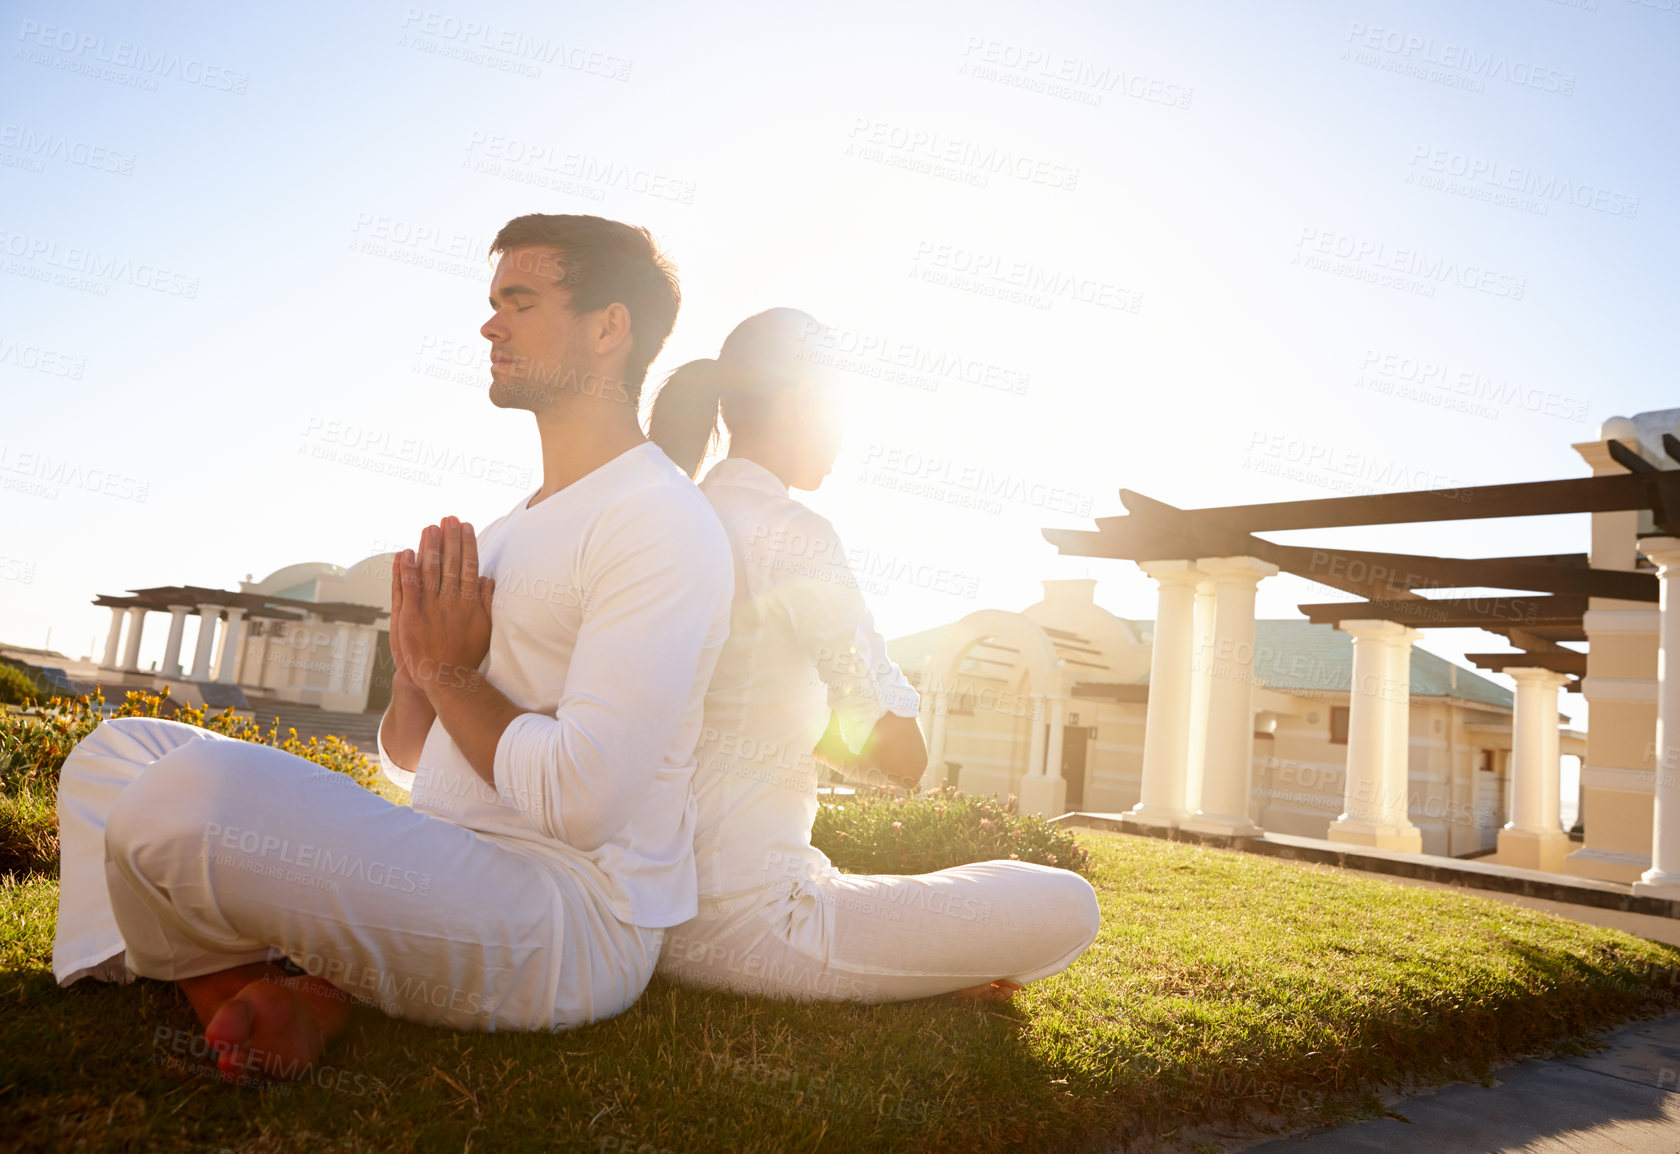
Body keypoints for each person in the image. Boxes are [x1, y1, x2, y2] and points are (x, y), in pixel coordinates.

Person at [51, 214, 734, 1080]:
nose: (491, 325)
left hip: (564, 918)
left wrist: (451, 670)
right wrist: (421, 672)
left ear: (608, 328)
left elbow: (584, 798)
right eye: (493, 304)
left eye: (519, 303)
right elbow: (413, 755)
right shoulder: (508, 527)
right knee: (114, 757)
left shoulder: (658, 520)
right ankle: (272, 995)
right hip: (442, 864)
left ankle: (270, 987)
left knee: (180, 797)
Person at [645, 308, 1100, 1004]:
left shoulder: (676, 515)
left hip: (657, 919)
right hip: (757, 929)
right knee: (1068, 901)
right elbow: (904, 761)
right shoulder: (795, 534)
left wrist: (800, 720)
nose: (843, 434)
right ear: (800, 400)